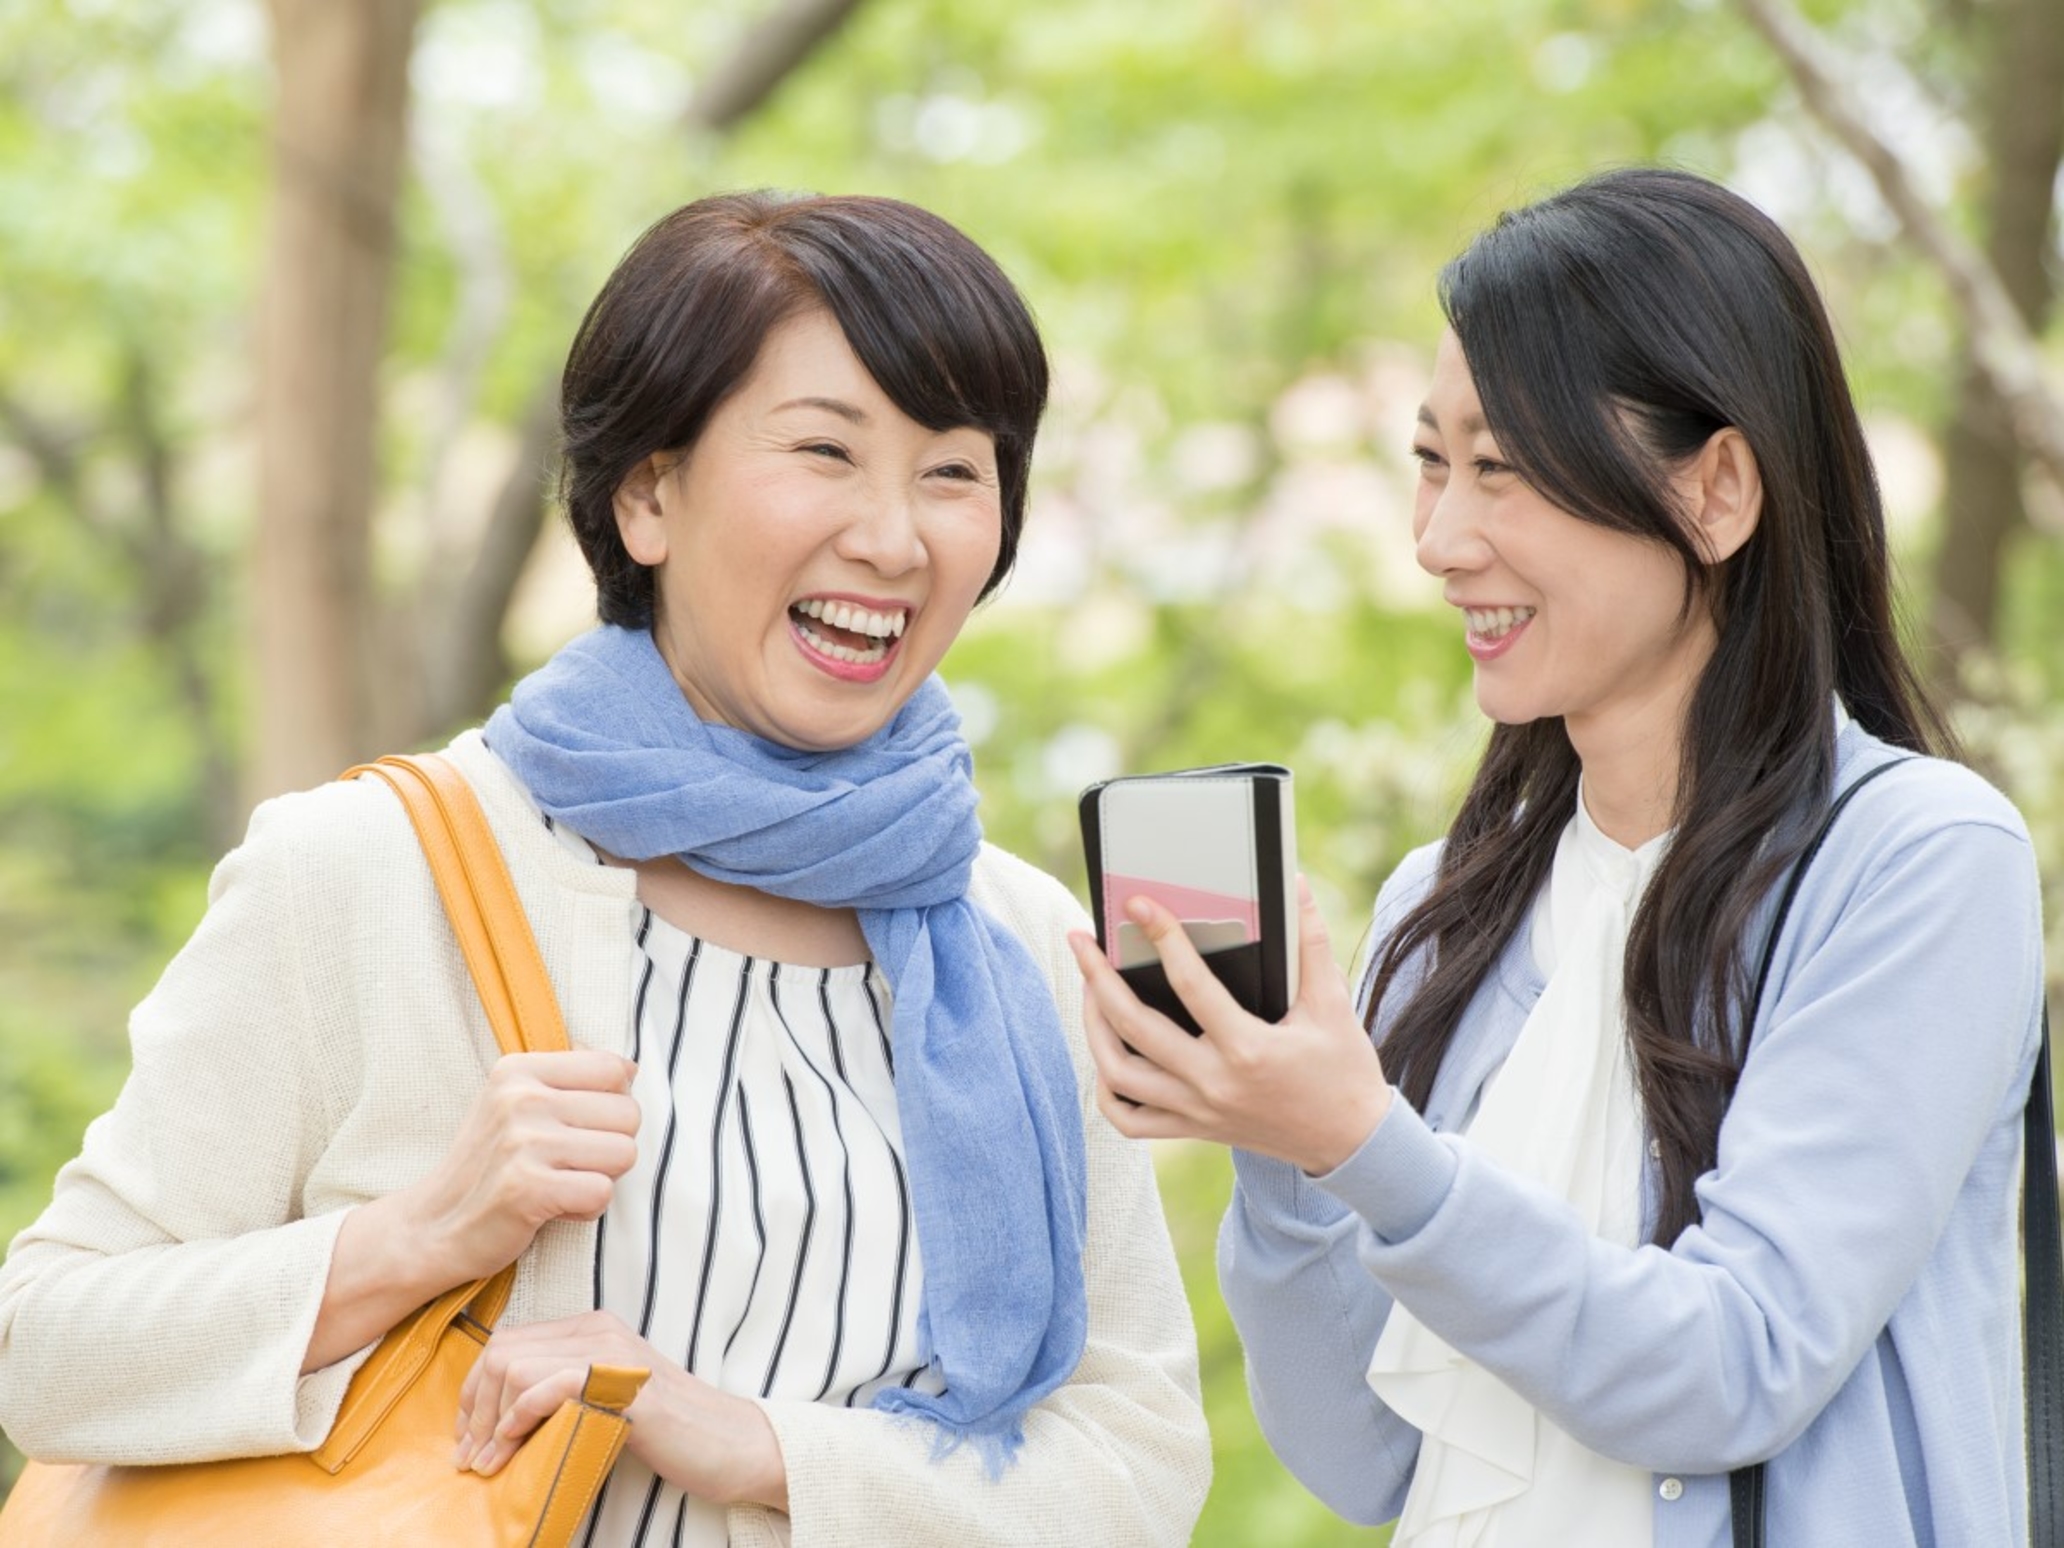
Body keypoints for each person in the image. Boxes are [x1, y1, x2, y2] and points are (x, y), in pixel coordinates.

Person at [0, 192, 1210, 1546]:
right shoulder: (371, 868)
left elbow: (1140, 1462)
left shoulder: (1022, 946)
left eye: (953, 471)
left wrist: (765, 1449)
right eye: (825, 450)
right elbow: (46, 1348)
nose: (894, 535)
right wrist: (418, 1238)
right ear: (648, 493)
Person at [1071, 167, 2045, 1546]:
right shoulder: (1447, 906)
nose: (1439, 540)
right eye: (1429, 462)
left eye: (1503, 471)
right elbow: (1367, 1463)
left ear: (1717, 491)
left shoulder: (1914, 862)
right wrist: (1284, 1148)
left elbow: (1736, 1367)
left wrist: (1362, 1141)